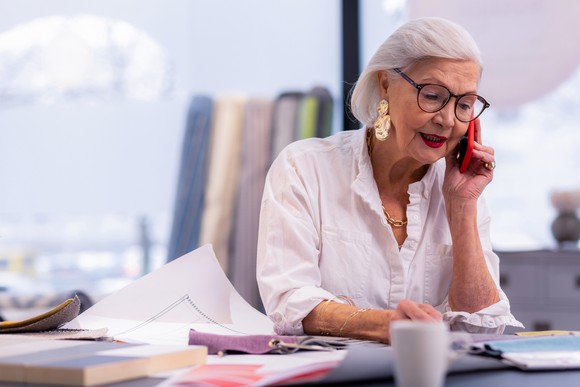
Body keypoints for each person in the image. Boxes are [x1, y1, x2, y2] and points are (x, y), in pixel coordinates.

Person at [256, 17, 523, 343]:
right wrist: (384, 325)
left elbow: (482, 327)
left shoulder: (461, 191)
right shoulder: (304, 168)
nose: (447, 120)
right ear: (385, 84)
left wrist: (461, 206)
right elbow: (288, 300)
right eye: (432, 95)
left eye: (464, 104)